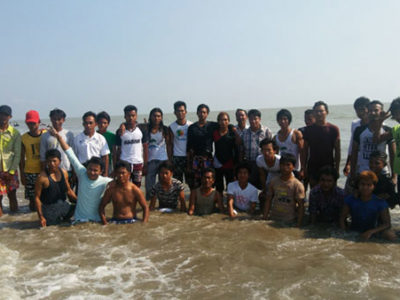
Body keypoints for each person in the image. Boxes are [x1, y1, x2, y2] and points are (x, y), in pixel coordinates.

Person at [50, 127, 112, 223]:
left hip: (97, 221)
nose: (92, 172)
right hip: (79, 220)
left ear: (101, 172)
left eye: (95, 170)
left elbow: (124, 187)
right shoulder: (82, 172)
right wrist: (59, 137)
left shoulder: (106, 181)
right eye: (90, 169)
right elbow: (69, 153)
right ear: (86, 168)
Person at [340, 170, 396, 241]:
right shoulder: (350, 200)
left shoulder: (380, 202)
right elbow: (342, 218)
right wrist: (344, 233)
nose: (365, 187)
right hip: (354, 231)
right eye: (362, 184)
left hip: (373, 231)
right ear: (358, 185)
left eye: (369, 185)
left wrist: (371, 232)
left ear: (373, 187)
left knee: (391, 236)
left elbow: (387, 224)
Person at [350, 101, 395, 186]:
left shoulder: (388, 130)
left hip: (382, 173)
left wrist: (394, 176)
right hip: (363, 172)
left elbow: (393, 154)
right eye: (370, 110)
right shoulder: (359, 130)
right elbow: (354, 153)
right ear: (367, 112)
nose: (373, 113)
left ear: (381, 111)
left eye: (376, 110)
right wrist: (352, 173)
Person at [302, 101, 340, 188]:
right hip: (313, 167)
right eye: (316, 111)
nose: (319, 113)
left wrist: (337, 169)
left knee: (330, 194)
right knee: (315, 193)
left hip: (329, 167)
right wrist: (304, 167)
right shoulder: (308, 130)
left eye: (321, 111)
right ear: (314, 113)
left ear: (327, 112)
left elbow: (337, 151)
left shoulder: (333, 129)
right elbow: (305, 151)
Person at [34, 149, 76, 227]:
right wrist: (41, 217)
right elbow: (37, 198)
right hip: (49, 210)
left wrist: (80, 202)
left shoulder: (64, 173)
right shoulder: (42, 178)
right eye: (49, 161)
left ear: (60, 161)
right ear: (46, 162)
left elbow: (69, 191)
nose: (52, 164)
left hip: (63, 206)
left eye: (54, 161)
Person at [263, 154, 305, 227]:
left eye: (288, 165)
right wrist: (265, 218)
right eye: (282, 165)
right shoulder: (273, 182)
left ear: (293, 167)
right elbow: (268, 200)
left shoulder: (297, 185)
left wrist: (299, 224)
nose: (285, 167)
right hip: (274, 218)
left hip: (289, 221)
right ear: (279, 165)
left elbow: (301, 206)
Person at [114, 105, 148, 187]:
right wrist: (116, 166)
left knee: (137, 187)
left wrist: (146, 165)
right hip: (124, 164)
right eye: (128, 116)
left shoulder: (142, 130)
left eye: (133, 115)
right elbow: (117, 150)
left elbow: (145, 148)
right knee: (124, 186)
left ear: (136, 116)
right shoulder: (120, 131)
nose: (131, 118)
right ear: (125, 116)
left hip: (138, 164)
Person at [186, 104, 219, 190]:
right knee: (196, 181)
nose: (202, 114)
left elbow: (224, 125)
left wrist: (233, 128)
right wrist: (189, 164)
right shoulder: (192, 128)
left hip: (208, 158)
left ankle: (209, 200)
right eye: (200, 112)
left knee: (209, 180)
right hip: (196, 158)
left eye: (204, 112)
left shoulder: (212, 126)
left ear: (207, 114)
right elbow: (189, 147)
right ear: (197, 113)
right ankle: (197, 200)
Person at [20, 110, 45, 211]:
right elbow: (21, 158)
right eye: (29, 123)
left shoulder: (45, 134)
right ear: (26, 123)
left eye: (34, 123)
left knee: (45, 197)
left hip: (43, 171)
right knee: (32, 199)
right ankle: (30, 221)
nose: (32, 125)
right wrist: (22, 174)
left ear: (39, 122)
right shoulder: (24, 138)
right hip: (30, 172)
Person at [241, 109, 273, 190]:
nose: (253, 121)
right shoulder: (244, 133)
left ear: (259, 119)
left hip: (264, 163)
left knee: (265, 184)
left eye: (255, 118)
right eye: (251, 119)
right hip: (250, 163)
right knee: (251, 186)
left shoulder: (266, 131)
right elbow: (242, 149)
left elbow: (273, 148)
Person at [144, 108, 171, 200]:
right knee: (149, 186)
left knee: (163, 184)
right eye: (154, 116)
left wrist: (169, 160)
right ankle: (149, 204)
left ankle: (162, 203)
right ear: (150, 117)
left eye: (159, 116)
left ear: (161, 118)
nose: (156, 118)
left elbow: (169, 145)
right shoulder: (146, 129)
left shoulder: (165, 129)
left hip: (162, 160)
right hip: (150, 161)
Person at [373, 97, 400, 191]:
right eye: (395, 114)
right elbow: (376, 140)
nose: (397, 117)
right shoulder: (396, 129)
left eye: (398, 113)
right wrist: (380, 121)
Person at [213, 112, 241, 196]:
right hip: (218, 162)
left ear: (228, 121)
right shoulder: (214, 132)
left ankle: (230, 202)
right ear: (218, 121)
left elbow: (239, 142)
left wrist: (235, 131)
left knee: (230, 184)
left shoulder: (232, 132)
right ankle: (220, 203)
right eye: (221, 120)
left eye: (225, 120)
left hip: (230, 162)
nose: (223, 122)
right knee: (219, 185)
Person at [74, 111, 110, 176]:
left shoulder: (100, 138)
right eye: (86, 123)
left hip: (96, 170)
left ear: (95, 124)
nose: (88, 125)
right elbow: (74, 157)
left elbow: (105, 157)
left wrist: (105, 173)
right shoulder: (77, 138)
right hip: (82, 170)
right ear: (83, 124)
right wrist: (74, 173)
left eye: (91, 123)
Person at [0, 105, 21, 216]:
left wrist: (11, 171)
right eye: (1, 114)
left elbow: (17, 154)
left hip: (10, 169)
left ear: (10, 117)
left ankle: (14, 223)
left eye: (6, 115)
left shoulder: (15, 133)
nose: (3, 117)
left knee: (12, 196)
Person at [40, 108, 74, 174]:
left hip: (66, 168)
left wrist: (74, 171)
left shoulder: (69, 134)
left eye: (59, 119)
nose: (56, 121)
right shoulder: (45, 135)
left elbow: (72, 154)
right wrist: (43, 171)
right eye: (54, 119)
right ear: (50, 119)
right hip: (51, 170)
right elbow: (43, 156)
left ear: (63, 120)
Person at [343, 97, 370, 177]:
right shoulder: (355, 124)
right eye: (357, 110)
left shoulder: (378, 125)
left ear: (368, 108)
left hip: (372, 163)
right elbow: (352, 144)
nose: (360, 112)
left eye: (362, 109)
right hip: (358, 162)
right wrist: (348, 163)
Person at [274, 109, 304, 178]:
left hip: (296, 169)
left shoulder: (296, 134)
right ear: (278, 121)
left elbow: (302, 152)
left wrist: (302, 168)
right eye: (280, 119)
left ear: (289, 120)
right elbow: (276, 155)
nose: (283, 121)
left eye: (285, 119)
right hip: (283, 170)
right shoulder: (275, 137)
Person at [168, 101, 192, 183]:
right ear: (174, 112)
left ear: (186, 111)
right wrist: (170, 160)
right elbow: (170, 145)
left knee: (192, 183)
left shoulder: (191, 125)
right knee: (177, 183)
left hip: (189, 158)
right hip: (177, 158)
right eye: (178, 111)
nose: (180, 113)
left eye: (182, 110)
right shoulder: (171, 127)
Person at [97, 111, 116, 175]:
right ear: (96, 123)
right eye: (100, 123)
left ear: (108, 124)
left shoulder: (112, 136)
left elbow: (114, 153)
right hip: (95, 164)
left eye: (105, 123)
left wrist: (115, 168)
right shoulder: (93, 135)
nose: (102, 125)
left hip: (108, 164)